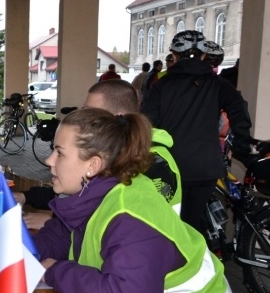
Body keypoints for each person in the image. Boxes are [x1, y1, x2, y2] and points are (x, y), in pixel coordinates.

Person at [34, 107, 248, 293]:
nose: (50, 160)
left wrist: (56, 272)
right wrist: (17, 254)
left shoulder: (130, 214)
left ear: (92, 166)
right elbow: (57, 238)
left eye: (59, 153)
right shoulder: (92, 196)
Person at [14, 79, 181, 229]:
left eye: (90, 112)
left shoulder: (150, 163)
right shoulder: (114, 151)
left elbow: (123, 223)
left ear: (116, 118)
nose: (82, 116)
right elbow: (81, 188)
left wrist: (54, 221)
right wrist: (27, 197)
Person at [142, 30, 253, 236]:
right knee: (192, 222)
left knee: (173, 225)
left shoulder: (161, 86)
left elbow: (145, 125)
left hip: (170, 168)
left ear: (174, 55)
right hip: (206, 168)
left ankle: (188, 262)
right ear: (204, 55)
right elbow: (239, 108)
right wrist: (241, 145)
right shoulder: (217, 83)